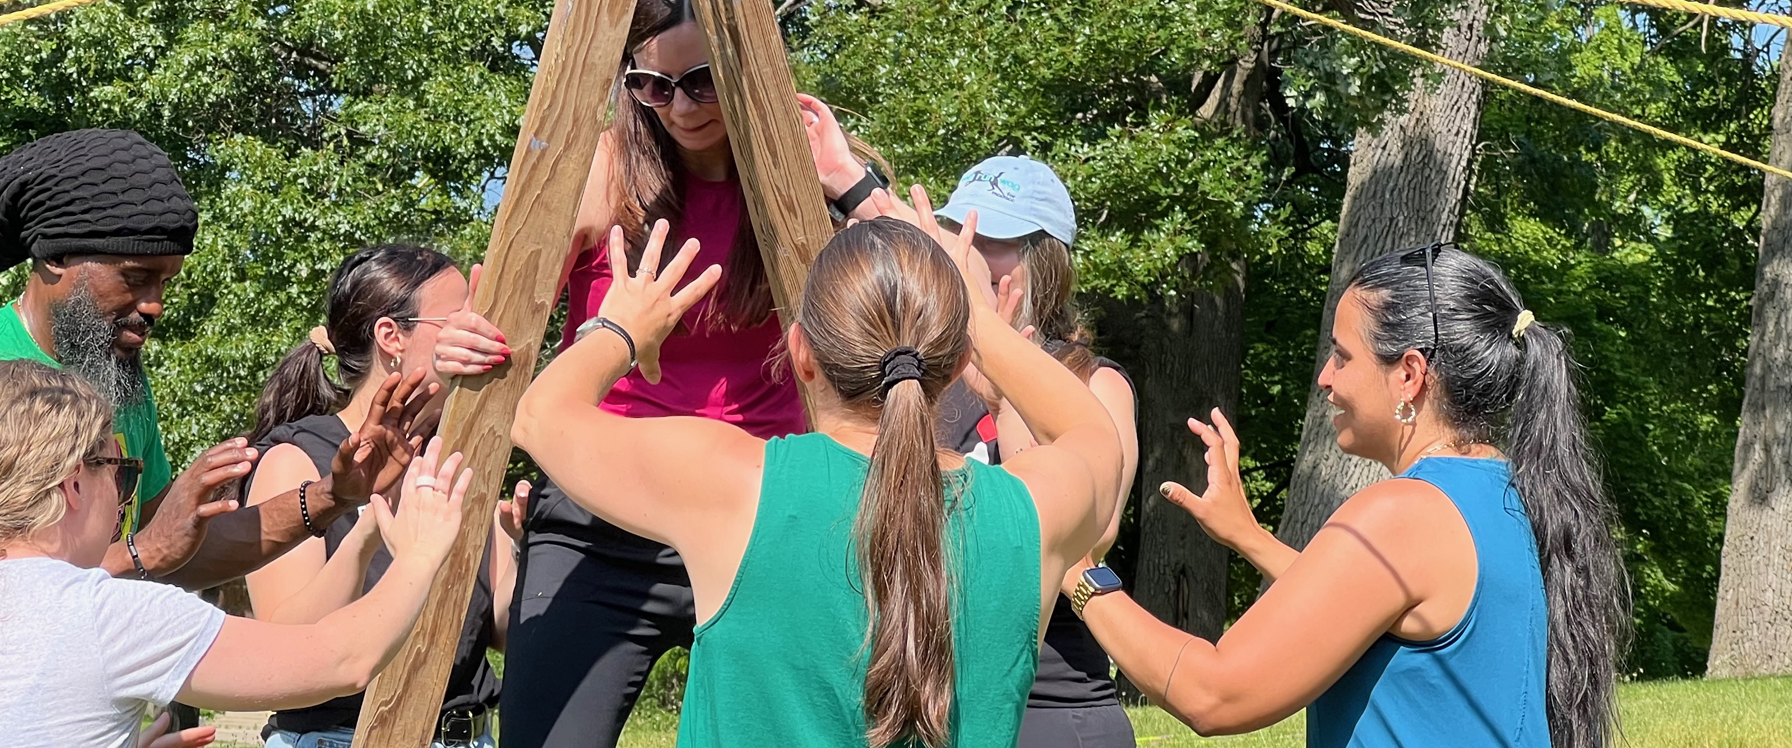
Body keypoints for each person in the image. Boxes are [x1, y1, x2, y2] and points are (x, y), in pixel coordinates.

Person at [429, 0, 891, 748]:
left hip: (763, 507)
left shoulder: (808, 176)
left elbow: (920, 298)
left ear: (749, 67)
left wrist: (849, 181)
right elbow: (508, 313)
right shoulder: (603, 170)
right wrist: (467, 336)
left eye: (704, 81)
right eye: (652, 86)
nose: (679, 108)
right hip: (603, 505)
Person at [508, 200, 1127, 747]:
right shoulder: (1029, 514)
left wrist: (620, 327)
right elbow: (1094, 434)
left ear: (800, 352)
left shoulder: (735, 484)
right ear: (959, 359)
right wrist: (978, 316)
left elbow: (539, 417)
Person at [1077, 245, 1628, 748]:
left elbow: (1214, 693)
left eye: (1342, 356)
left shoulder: (1405, 513)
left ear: (1410, 374)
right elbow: (1373, 610)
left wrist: (1074, 566)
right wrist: (1249, 535)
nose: (1325, 378)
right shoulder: (1501, 490)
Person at [0, 359, 474, 748]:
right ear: (73, 484)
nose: (127, 500)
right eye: (122, 474)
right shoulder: (103, 615)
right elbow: (343, 659)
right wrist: (419, 549)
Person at [0, 129, 400, 592]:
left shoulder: (117, 379)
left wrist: (330, 498)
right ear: (54, 256)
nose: (155, 306)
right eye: (135, 277)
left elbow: (181, 548)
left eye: (166, 283)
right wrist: (138, 556)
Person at [239, 245, 522, 748]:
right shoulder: (295, 461)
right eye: (456, 320)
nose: (474, 332)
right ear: (391, 335)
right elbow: (284, 643)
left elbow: (498, 629)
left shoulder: (457, 453)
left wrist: (520, 543)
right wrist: (369, 527)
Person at [924, 156, 1141, 748]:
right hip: (931, 701)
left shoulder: (1093, 383)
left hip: (1051, 703)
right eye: (960, 233)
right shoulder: (920, 381)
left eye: (993, 240)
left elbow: (1090, 535)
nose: (968, 254)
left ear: (1044, 262)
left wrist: (1002, 406)